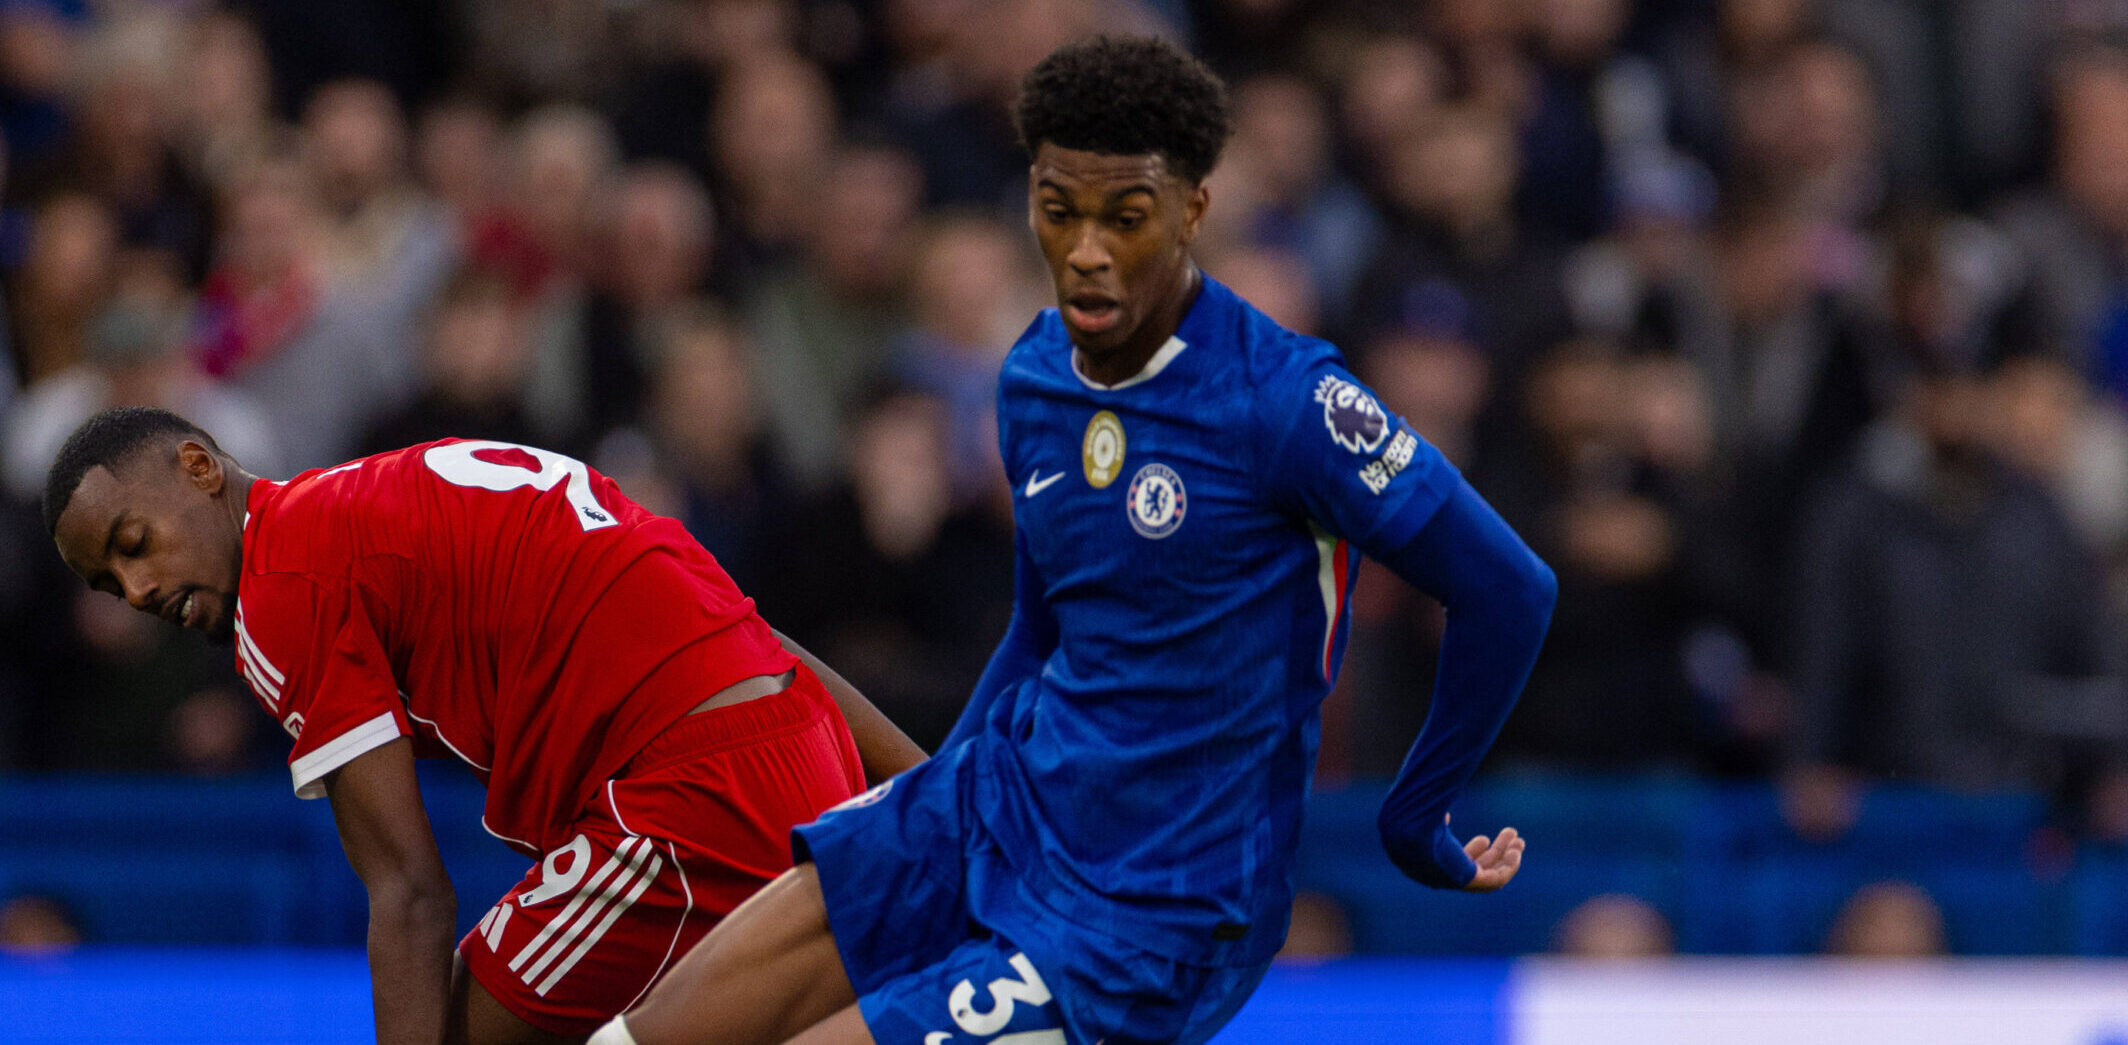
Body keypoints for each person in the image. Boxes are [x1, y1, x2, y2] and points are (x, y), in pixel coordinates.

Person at [606, 37, 1555, 1045]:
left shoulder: (1287, 402)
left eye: (1126, 216)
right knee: (646, 1035)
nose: (1088, 248)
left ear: (1191, 210)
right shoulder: (1032, 377)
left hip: (1155, 918)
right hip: (994, 813)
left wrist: (1415, 812)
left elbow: (1509, 588)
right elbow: (1042, 623)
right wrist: (938, 790)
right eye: (1060, 210)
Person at [42, 407, 923, 1045]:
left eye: (132, 542)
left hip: (680, 803)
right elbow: (758, 641)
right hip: (800, 750)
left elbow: (411, 896)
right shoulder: (376, 496)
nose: (138, 589)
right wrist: (936, 787)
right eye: (108, 584)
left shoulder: (284, 582)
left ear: (199, 468)